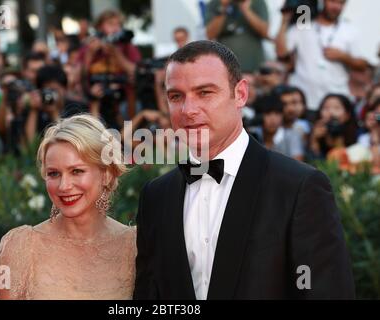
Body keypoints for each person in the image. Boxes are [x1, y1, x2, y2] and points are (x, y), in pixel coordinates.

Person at [134, 40, 354, 300]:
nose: (188, 110)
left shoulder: (298, 187)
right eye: (176, 96)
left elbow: (326, 292)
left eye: (204, 92)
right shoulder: (157, 196)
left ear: (240, 94)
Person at [0, 114, 135, 299]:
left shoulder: (134, 246)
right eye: (54, 173)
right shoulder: (18, 247)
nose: (64, 186)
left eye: (76, 171)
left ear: (107, 174)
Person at [276, 0, 369, 112]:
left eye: (341, 3)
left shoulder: (350, 30)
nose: (336, 7)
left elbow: (363, 64)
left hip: (335, 102)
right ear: (322, 1)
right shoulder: (304, 24)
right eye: (332, 1)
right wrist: (284, 20)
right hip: (303, 100)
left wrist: (343, 57)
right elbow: (281, 52)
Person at [205, 0, 269, 73]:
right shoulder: (216, 3)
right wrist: (223, 8)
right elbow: (210, 34)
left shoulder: (258, 2)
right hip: (226, 68)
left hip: (253, 68)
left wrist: (246, 10)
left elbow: (264, 32)